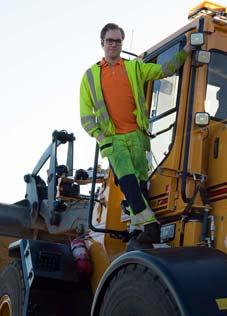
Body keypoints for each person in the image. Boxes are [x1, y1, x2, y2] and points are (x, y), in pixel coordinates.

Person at [80, 22, 189, 250]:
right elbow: (85, 116)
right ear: (102, 44)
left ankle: (138, 229)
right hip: (113, 139)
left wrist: (186, 52)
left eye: (118, 41)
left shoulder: (134, 68)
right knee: (128, 180)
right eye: (110, 41)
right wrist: (101, 137)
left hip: (138, 136)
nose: (114, 44)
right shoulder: (90, 76)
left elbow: (164, 70)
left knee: (140, 186)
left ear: (121, 43)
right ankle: (150, 225)